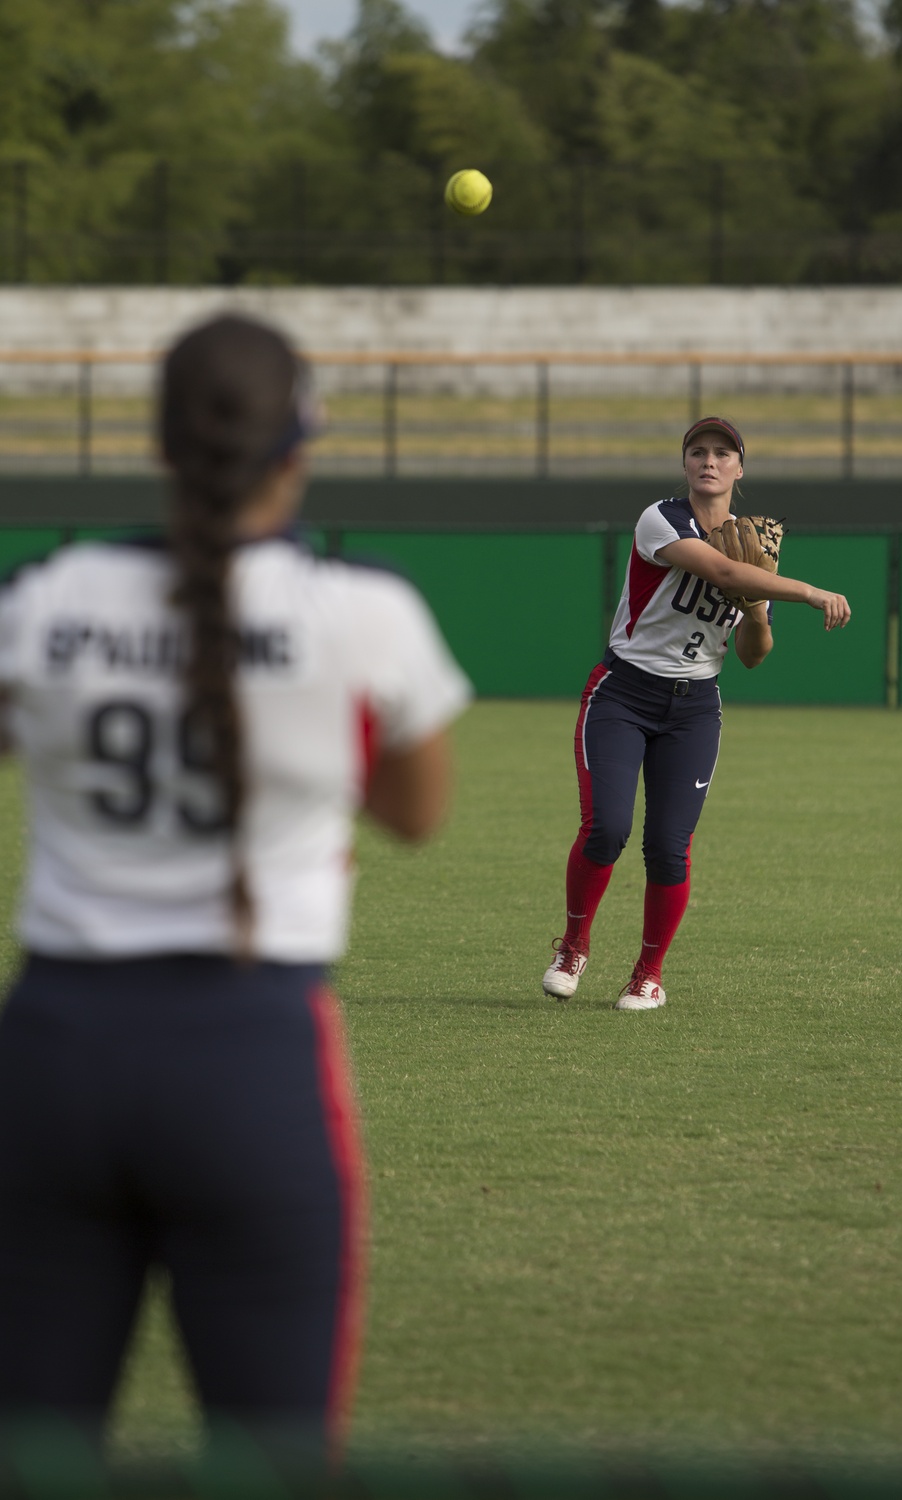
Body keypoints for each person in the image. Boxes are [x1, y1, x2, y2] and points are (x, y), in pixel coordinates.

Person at [0, 314, 470, 1463]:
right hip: (248, 1066)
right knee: (272, 1466)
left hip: (50, 1062)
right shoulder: (365, 613)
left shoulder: (44, 597)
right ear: (300, 443)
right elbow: (415, 817)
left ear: (160, 445)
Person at [542, 415, 850, 1012]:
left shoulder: (755, 543)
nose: (709, 461)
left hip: (694, 708)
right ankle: (574, 944)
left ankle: (647, 975)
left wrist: (759, 610)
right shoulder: (662, 519)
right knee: (607, 827)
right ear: (685, 465)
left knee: (668, 845)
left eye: (722, 453)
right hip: (622, 694)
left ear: (739, 468)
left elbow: (753, 656)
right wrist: (808, 592)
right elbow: (725, 572)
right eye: (698, 452)